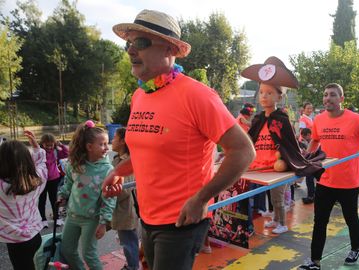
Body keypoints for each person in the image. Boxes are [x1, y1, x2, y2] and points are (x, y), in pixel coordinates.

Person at [102, 10, 255, 270]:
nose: (130, 51)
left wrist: (201, 199)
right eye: (129, 44)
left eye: (141, 43)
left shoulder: (197, 95)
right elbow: (147, 151)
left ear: (170, 48)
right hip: (147, 217)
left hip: (181, 222)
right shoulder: (140, 95)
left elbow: (243, 151)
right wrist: (119, 171)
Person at [242, 57, 325, 235]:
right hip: (260, 166)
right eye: (262, 92)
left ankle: (282, 223)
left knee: (278, 197)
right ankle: (274, 219)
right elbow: (249, 140)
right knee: (271, 196)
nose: (264, 96)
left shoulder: (282, 119)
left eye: (269, 93)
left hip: (277, 166)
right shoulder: (258, 119)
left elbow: (289, 143)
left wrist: (290, 160)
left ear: (279, 96)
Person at [299, 83, 359, 270]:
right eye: (325, 95)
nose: (327, 98)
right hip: (325, 179)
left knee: (351, 219)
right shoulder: (318, 119)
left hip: (348, 181)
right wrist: (307, 157)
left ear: (341, 99)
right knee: (320, 221)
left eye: (332, 95)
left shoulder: (355, 119)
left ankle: (356, 248)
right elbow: (315, 141)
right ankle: (315, 261)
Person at [57, 121, 117, 270]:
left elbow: (109, 198)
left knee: (89, 254)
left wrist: (104, 222)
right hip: (72, 216)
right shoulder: (75, 164)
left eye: (107, 144)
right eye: (102, 144)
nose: (106, 148)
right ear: (89, 147)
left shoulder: (107, 170)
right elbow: (69, 183)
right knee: (67, 250)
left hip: (92, 220)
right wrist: (62, 195)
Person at [0, 133, 47, 270]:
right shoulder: (37, 180)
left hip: (16, 241)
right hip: (35, 236)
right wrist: (36, 147)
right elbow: (42, 163)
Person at [111, 127, 139, 270]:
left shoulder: (127, 161)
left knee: (129, 241)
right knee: (126, 239)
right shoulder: (117, 159)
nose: (111, 141)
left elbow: (126, 188)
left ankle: (133, 266)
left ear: (122, 141)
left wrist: (109, 193)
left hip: (126, 207)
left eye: (114, 138)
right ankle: (131, 264)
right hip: (121, 207)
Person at [38, 133, 69, 228]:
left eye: (51, 145)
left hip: (54, 178)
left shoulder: (55, 151)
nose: (49, 147)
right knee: (42, 200)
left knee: (54, 199)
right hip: (42, 179)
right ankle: (42, 219)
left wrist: (61, 145)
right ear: (42, 144)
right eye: (47, 145)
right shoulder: (39, 152)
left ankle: (57, 217)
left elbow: (66, 153)